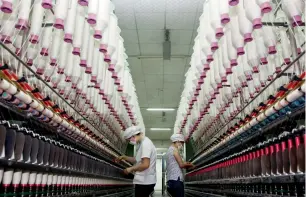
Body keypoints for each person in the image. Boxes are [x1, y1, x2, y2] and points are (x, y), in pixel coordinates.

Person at [115, 126, 157, 197]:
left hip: (145, 182)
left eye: (129, 139)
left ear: (134, 136)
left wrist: (130, 169)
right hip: (143, 181)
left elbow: (145, 165)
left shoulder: (146, 144)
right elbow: (137, 159)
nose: (129, 141)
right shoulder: (141, 144)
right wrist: (124, 157)